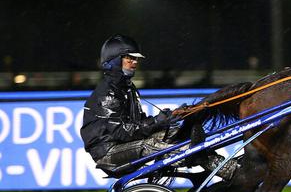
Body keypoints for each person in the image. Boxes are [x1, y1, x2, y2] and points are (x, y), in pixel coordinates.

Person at [80, 34, 223, 175]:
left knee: (174, 132)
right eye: (129, 57)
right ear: (114, 61)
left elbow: (138, 123)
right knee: (150, 144)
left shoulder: (127, 88)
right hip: (108, 153)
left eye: (135, 58)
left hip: (122, 145)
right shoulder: (107, 92)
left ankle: (227, 169)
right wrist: (157, 122)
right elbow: (120, 132)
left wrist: (169, 118)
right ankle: (198, 157)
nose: (134, 62)